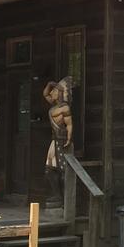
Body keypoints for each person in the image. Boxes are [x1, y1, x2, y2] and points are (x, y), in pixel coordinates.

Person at [43, 76, 74, 204]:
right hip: (54, 139)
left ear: (60, 93)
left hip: (61, 139)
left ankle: (62, 198)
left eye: (54, 91)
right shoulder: (54, 105)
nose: (51, 93)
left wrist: (69, 138)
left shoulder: (64, 108)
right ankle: (57, 195)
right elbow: (45, 94)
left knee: (61, 168)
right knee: (49, 169)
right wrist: (50, 83)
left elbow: (69, 124)